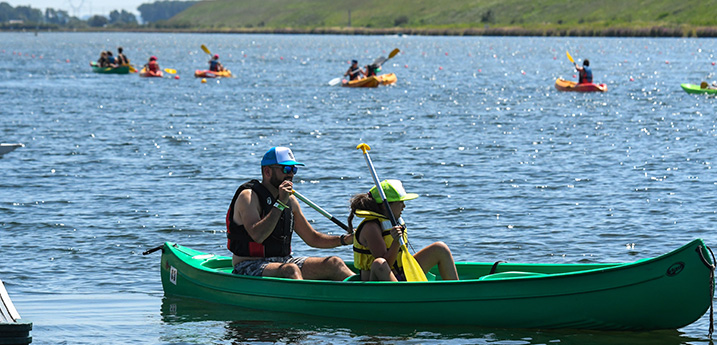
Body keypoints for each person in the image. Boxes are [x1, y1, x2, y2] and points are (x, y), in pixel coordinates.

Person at [226, 146, 355, 281]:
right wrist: (280, 203)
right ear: (267, 171)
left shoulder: (290, 201)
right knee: (291, 270)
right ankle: (303, 301)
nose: (291, 174)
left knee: (334, 263)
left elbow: (312, 238)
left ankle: (364, 294)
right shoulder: (248, 197)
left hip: (284, 262)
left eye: (294, 169)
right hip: (248, 265)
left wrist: (345, 240)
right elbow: (258, 236)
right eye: (286, 169)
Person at [347, 179, 458, 282]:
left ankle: (457, 292)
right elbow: (386, 265)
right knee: (379, 263)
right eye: (400, 202)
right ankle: (403, 295)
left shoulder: (393, 220)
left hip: (402, 272)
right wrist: (396, 241)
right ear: (386, 206)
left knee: (440, 248)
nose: (404, 206)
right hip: (382, 281)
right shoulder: (370, 228)